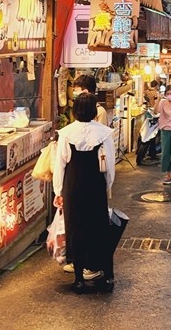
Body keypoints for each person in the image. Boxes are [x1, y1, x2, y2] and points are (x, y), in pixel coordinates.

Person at [53, 94, 116, 293]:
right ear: (93, 111)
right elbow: (110, 165)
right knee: (99, 228)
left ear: (75, 110)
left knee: (76, 230)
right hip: (95, 185)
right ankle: (106, 274)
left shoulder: (66, 133)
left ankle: (79, 277)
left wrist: (58, 191)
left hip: (73, 186)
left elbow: (60, 164)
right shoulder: (104, 133)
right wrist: (106, 186)